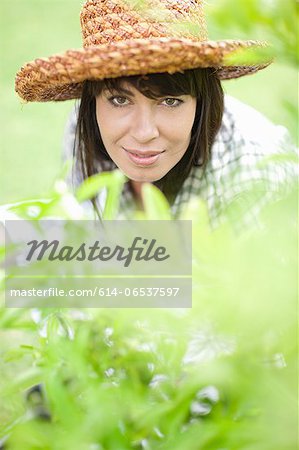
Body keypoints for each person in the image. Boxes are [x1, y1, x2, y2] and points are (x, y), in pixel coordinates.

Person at [15, 0, 296, 227]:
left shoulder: (252, 176)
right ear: (93, 102)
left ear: (202, 101)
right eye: (119, 99)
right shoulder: (84, 127)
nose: (144, 132)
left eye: (170, 101)